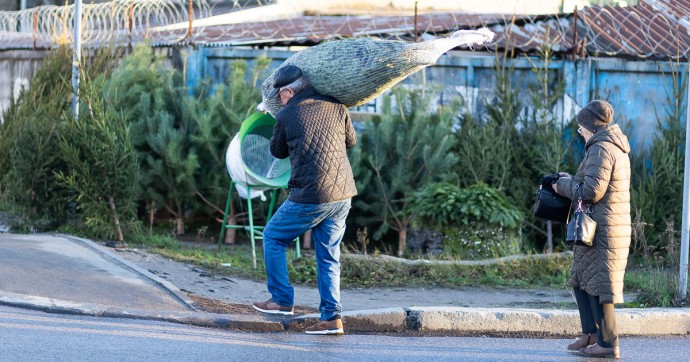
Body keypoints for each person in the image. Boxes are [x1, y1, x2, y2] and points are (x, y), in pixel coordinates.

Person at [252, 65, 357, 335]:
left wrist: (280, 119)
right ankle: (332, 318)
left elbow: (277, 152)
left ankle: (281, 300)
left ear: (288, 91)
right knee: (329, 256)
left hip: (311, 194)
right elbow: (351, 141)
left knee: (273, 236)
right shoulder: (336, 105)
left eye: (280, 96)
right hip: (342, 194)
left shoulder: (288, 114)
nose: (279, 100)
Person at [552, 100, 631, 359]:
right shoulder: (605, 146)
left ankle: (608, 344)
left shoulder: (602, 148)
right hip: (597, 226)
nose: (579, 131)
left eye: (581, 127)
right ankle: (591, 334)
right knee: (580, 280)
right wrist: (569, 180)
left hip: (603, 229)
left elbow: (591, 192)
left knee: (600, 286)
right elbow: (590, 184)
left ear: (591, 126)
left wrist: (563, 187)